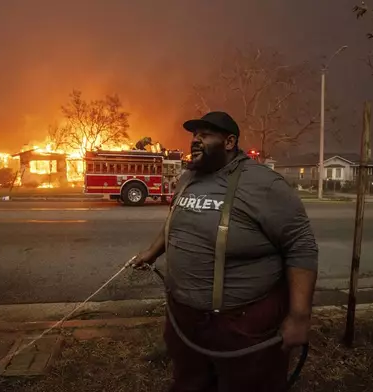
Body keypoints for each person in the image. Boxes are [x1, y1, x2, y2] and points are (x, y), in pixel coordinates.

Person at [131, 111, 318, 392]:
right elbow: (177, 221)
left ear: (229, 142)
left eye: (205, 135)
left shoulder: (264, 184)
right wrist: (152, 251)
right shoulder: (189, 178)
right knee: (190, 382)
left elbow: (301, 245)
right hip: (185, 320)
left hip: (241, 325)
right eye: (194, 135)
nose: (195, 141)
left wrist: (299, 316)